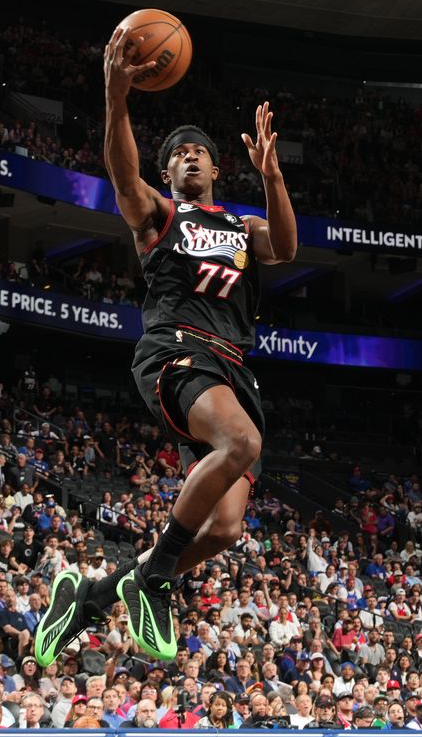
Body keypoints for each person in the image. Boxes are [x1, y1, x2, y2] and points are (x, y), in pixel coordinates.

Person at [33, 34, 296, 666]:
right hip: (178, 350)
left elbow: (284, 249)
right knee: (243, 444)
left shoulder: (242, 226)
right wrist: (116, 95)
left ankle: (94, 595)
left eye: (201, 154)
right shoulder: (159, 215)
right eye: (179, 154)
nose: (191, 159)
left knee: (228, 528)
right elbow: (123, 175)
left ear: (215, 169)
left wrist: (274, 175)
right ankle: (153, 582)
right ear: (170, 173)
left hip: (232, 371)